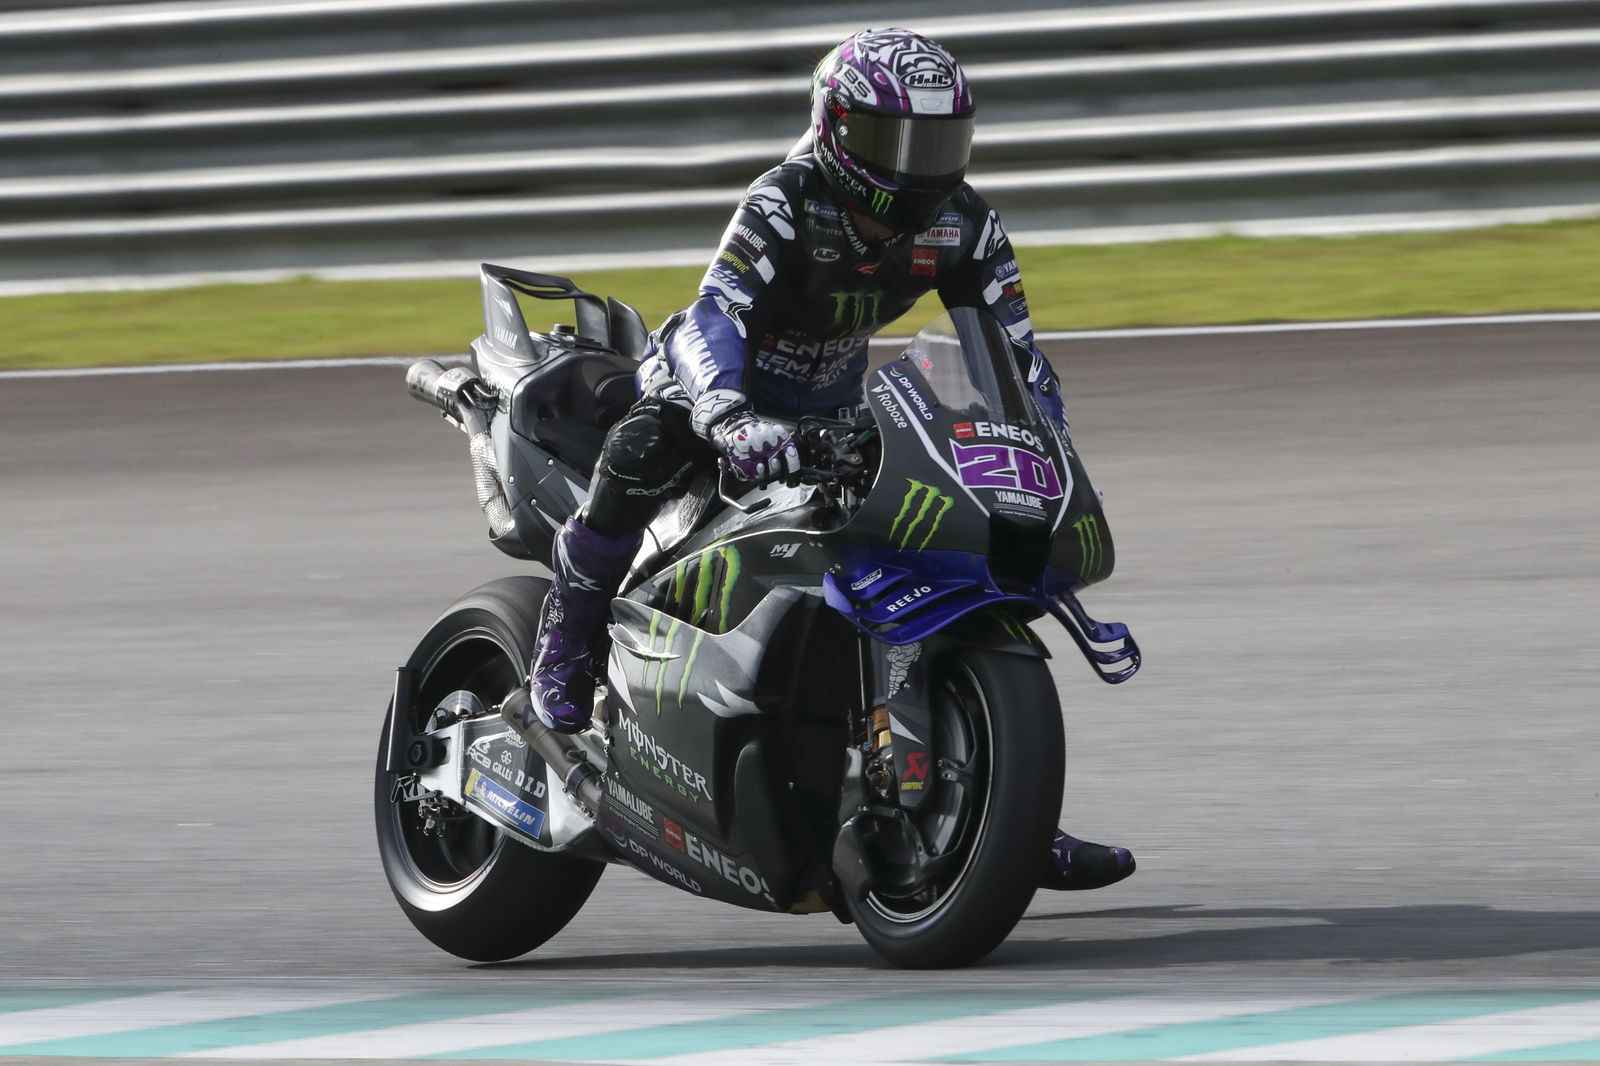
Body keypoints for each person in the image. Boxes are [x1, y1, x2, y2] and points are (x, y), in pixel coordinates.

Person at [528, 28, 1134, 893]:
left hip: (838, 409)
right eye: (899, 143)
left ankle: (991, 808)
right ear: (838, 128)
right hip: (713, 388)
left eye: (942, 143)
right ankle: (566, 648)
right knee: (645, 444)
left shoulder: (962, 222)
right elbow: (715, 315)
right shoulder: (787, 199)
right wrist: (728, 415)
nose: (923, 168)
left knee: (934, 543)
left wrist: (1050, 452)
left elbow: (1019, 360)